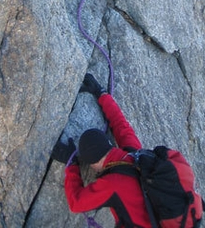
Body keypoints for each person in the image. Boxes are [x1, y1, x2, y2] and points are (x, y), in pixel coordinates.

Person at [51, 73, 153, 227]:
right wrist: (101, 93)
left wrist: (72, 165)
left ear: (93, 164)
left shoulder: (112, 184)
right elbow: (121, 125)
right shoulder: (135, 155)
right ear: (108, 144)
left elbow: (76, 203)